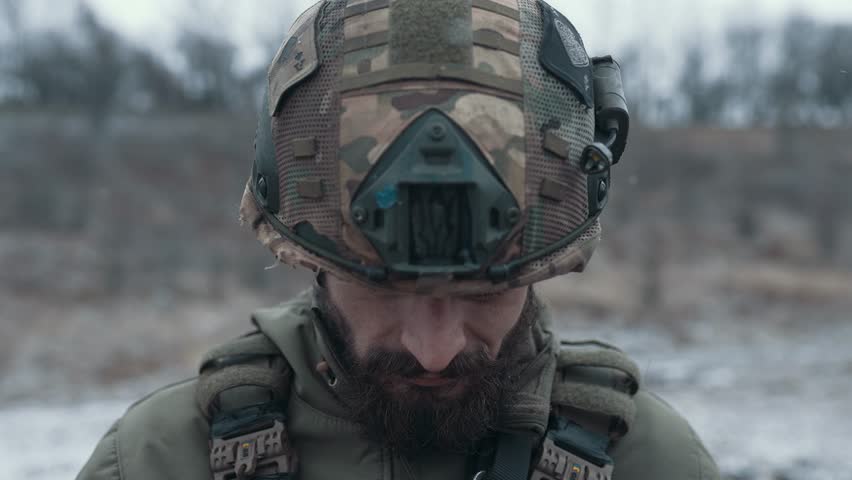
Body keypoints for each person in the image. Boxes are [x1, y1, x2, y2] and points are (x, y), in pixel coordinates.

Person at [77, 1, 720, 479]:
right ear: (311, 259)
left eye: (482, 292)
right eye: (380, 289)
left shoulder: (652, 462)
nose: (434, 350)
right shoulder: (158, 460)